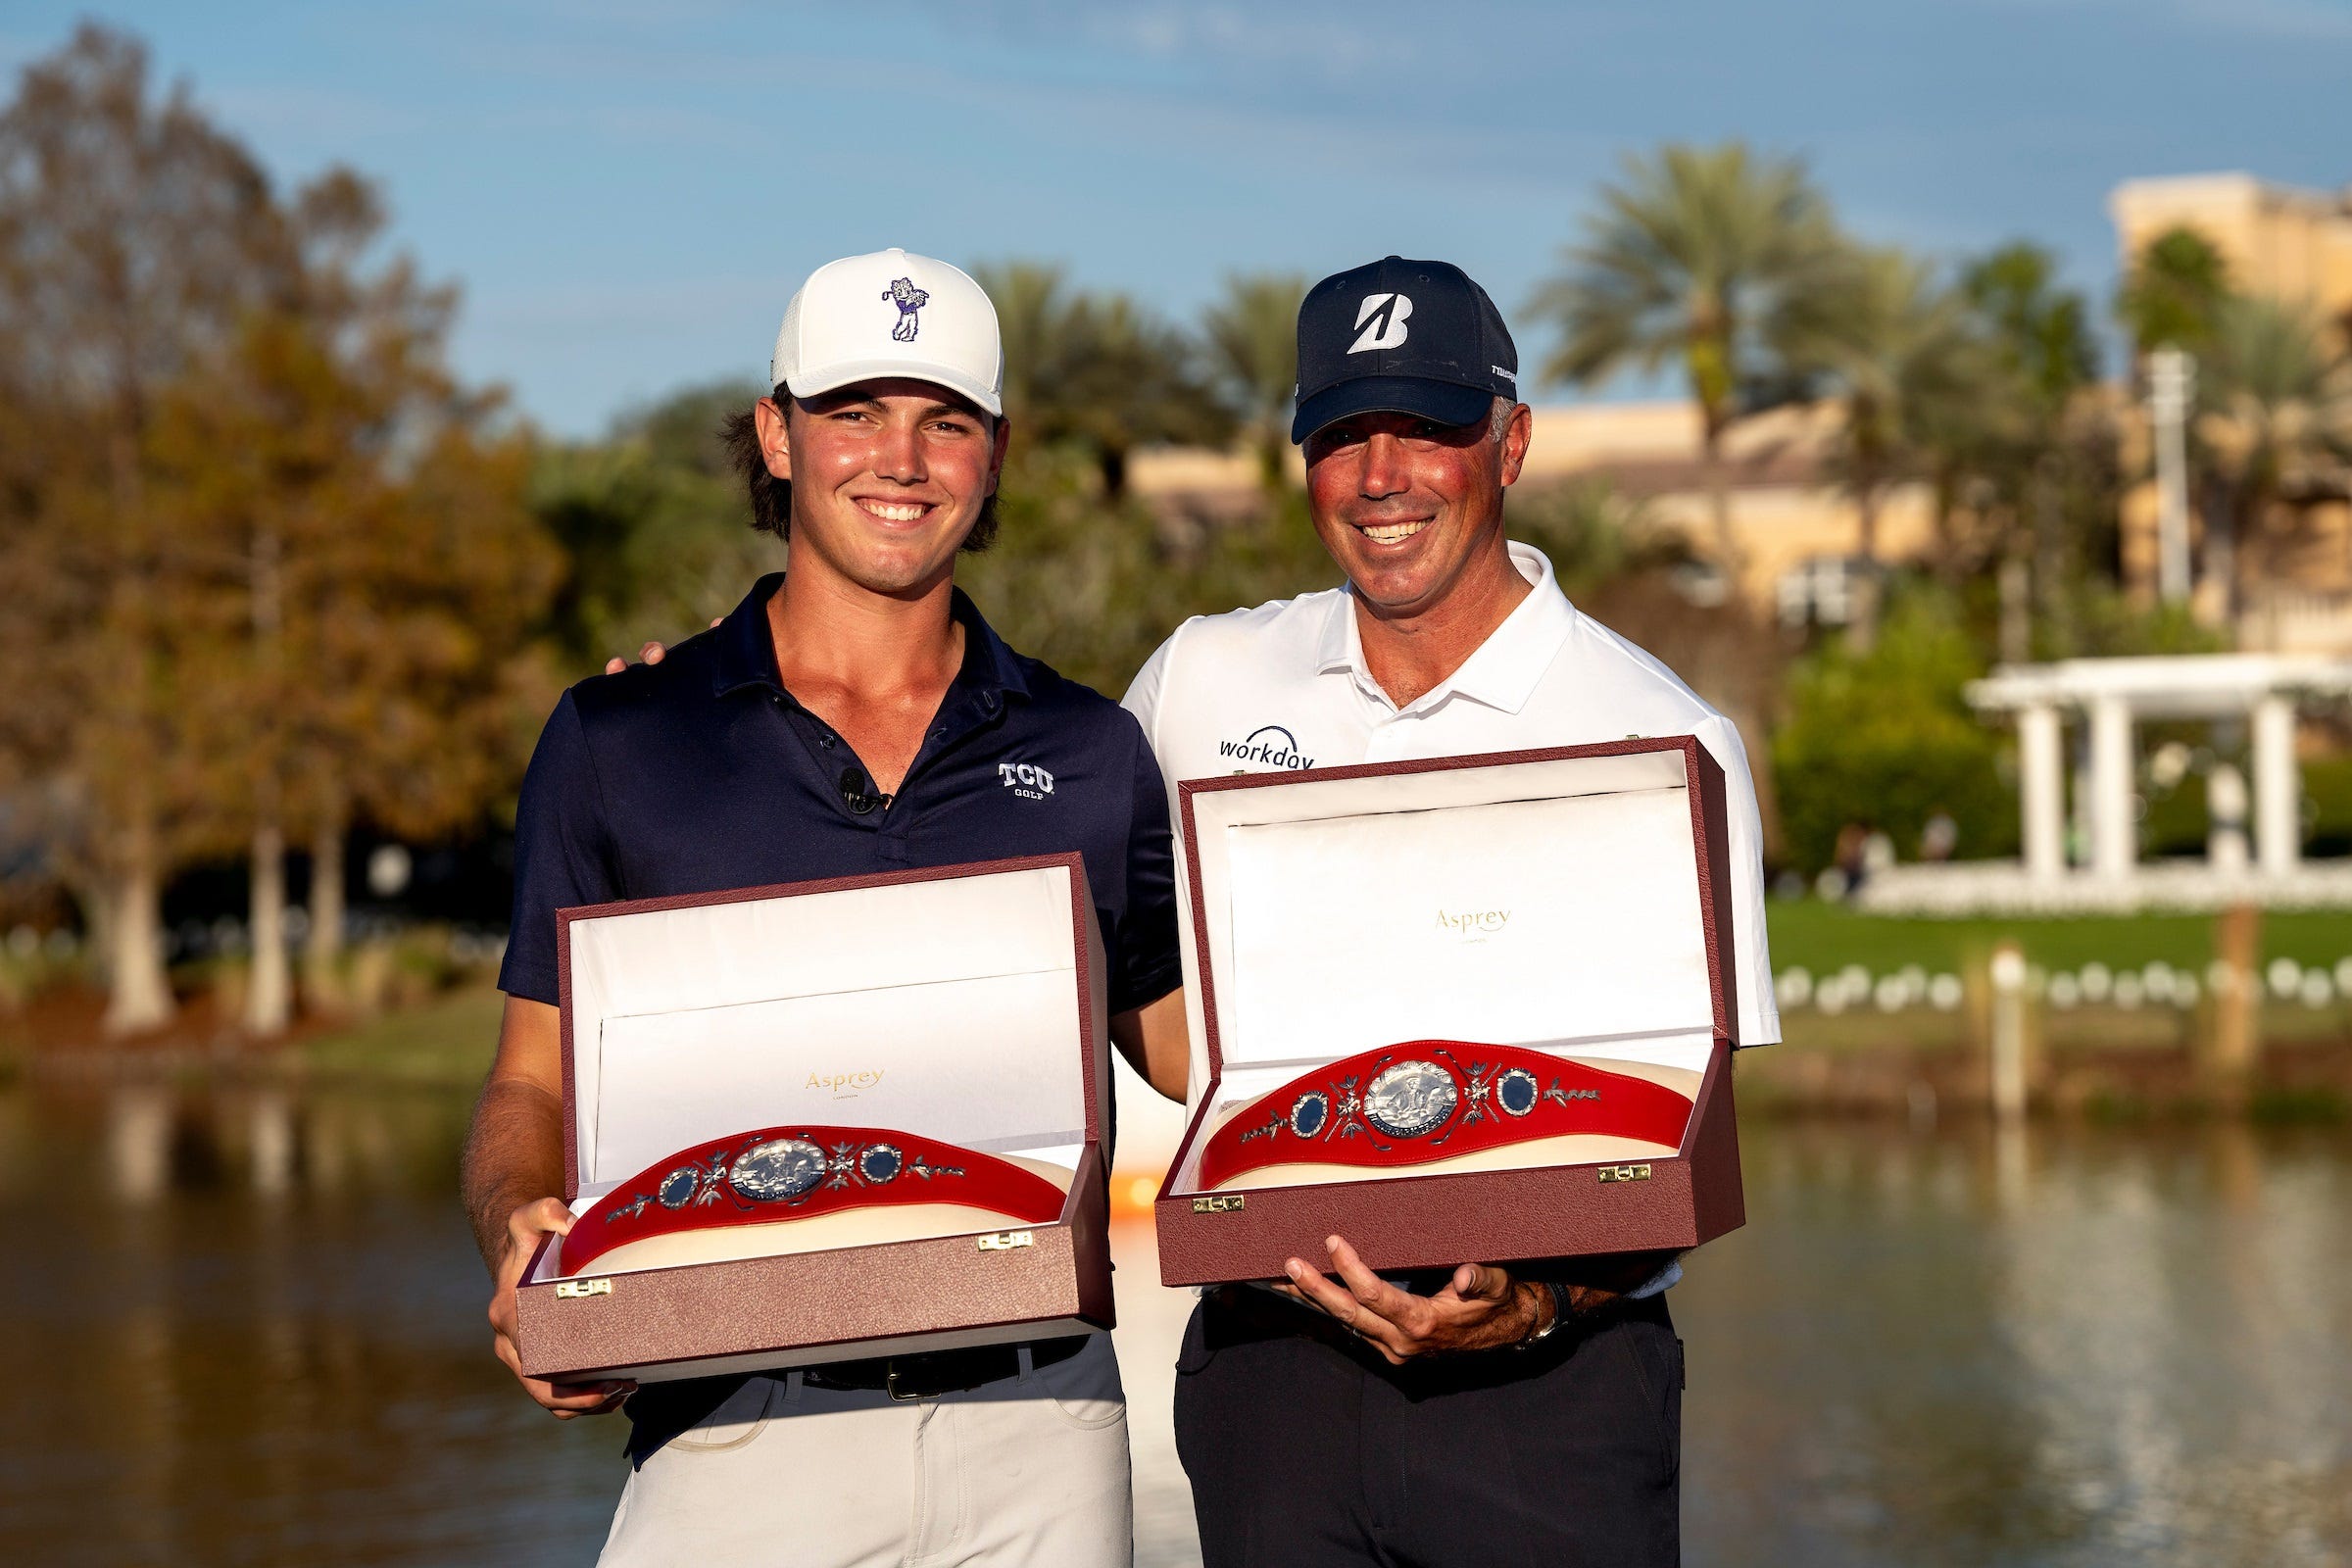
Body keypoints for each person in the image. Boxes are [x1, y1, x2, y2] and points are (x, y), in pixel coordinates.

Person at [460, 248, 1189, 1568]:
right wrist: (521, 1240)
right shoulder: (622, 738)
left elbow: (1205, 1055)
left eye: (945, 421)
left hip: (1043, 1435)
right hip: (735, 1431)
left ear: (995, 454)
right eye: (855, 411)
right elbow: (529, 1084)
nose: (901, 459)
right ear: (776, 435)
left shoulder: (1090, 751)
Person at [1120, 256, 1781, 1567]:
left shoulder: (1661, 733)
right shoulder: (1201, 680)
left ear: (1510, 442)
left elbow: (1685, 1114)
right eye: (1342, 435)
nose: (1382, 477)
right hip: (1272, 1380)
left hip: (1548, 1393)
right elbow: (1079, 895)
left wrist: (1535, 1301)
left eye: (1426, 429)